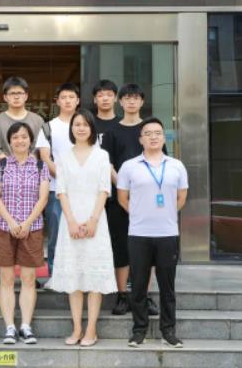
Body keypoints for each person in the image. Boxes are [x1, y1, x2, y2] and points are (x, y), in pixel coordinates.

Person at [46, 109, 117, 347]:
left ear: (92, 128)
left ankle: (91, 329)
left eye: (85, 124)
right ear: (71, 128)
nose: (81, 128)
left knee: (94, 277)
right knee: (74, 277)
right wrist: (71, 221)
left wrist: (93, 220)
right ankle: (76, 328)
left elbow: (104, 189)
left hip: (96, 220)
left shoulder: (102, 155)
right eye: (77, 124)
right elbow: (61, 191)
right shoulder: (63, 157)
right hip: (71, 220)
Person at [117, 117, 188, 348]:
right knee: (138, 285)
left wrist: (166, 214)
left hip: (167, 233)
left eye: (157, 133)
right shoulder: (129, 166)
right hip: (139, 233)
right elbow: (122, 198)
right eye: (148, 133)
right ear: (141, 139)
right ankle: (139, 330)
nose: (153, 137)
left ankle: (169, 331)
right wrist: (139, 213)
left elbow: (182, 197)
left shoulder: (176, 165)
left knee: (167, 287)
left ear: (164, 138)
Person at [100, 82, 160, 316]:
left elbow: (158, 160)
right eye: (127, 98)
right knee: (121, 247)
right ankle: (122, 295)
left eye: (136, 98)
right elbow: (108, 165)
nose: (131, 101)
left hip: (149, 200)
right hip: (119, 199)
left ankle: (144, 296)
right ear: (121, 102)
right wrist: (125, 187)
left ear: (142, 101)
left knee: (148, 248)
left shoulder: (150, 130)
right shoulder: (112, 132)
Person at [0, 122, 49, 345]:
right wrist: (12, 222)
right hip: (3, 227)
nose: (20, 141)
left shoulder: (41, 166)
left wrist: (27, 223)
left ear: (30, 140)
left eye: (24, 136)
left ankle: (25, 325)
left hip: (32, 229)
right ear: (9, 141)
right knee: (6, 279)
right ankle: (9, 327)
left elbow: (43, 198)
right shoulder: (0, 165)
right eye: (15, 137)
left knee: (28, 278)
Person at [0, 76, 45, 288]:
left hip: (32, 174)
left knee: (31, 225)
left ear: (26, 96)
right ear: (5, 97)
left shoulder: (37, 120)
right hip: (4, 173)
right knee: (4, 226)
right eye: (12, 93)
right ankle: (1, 274)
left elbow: (40, 150)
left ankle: (30, 275)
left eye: (20, 93)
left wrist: (26, 164)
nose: (16, 97)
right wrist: (13, 165)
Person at [35, 82, 79, 275]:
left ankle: (78, 274)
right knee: (56, 234)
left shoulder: (85, 125)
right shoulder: (48, 127)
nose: (67, 101)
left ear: (78, 100)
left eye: (71, 97)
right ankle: (55, 275)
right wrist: (64, 179)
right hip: (55, 190)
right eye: (64, 97)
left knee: (81, 233)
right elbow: (45, 157)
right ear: (57, 101)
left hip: (83, 190)